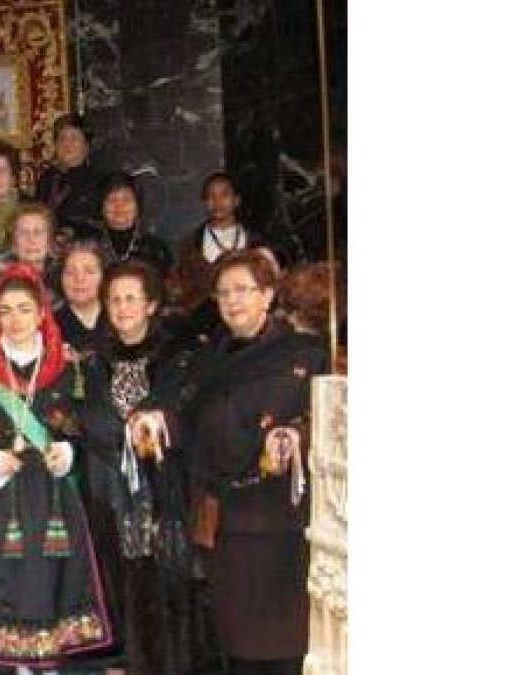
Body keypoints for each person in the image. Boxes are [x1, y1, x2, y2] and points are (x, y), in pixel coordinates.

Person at [0, 264, 114, 668]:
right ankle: (18, 661)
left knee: (55, 571)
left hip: (55, 492)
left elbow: (85, 427)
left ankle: (53, 657)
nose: (15, 320)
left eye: (24, 309)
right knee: (9, 572)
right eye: (5, 310)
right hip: (4, 494)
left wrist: (68, 452)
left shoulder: (68, 366)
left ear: (42, 313)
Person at [181, 249, 328, 675]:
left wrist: (293, 435)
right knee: (236, 647)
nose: (232, 300)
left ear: (267, 295)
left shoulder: (304, 352)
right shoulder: (209, 357)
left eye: (243, 289)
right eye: (223, 292)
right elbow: (186, 417)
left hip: (279, 522)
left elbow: (326, 417)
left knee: (285, 648)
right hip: (224, 522)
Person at [79, 260, 200, 675]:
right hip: (111, 489)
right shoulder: (93, 360)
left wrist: (154, 427)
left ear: (151, 304)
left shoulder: (179, 356)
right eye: (114, 299)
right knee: (122, 582)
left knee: (170, 584)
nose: (123, 307)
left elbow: (186, 414)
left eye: (132, 298)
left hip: (165, 489)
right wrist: (126, 437)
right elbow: (91, 422)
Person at [169, 171, 269, 338]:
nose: (218, 202)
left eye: (224, 195)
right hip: (203, 329)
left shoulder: (256, 243)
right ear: (204, 202)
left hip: (249, 326)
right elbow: (183, 287)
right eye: (211, 196)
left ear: (236, 200)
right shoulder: (190, 245)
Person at [35, 114, 107, 242]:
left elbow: (101, 225)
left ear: (86, 145)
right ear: (55, 145)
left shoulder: (100, 180)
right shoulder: (47, 178)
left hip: (85, 248)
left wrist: (71, 232)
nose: (67, 144)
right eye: (62, 139)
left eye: (74, 138)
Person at [98, 172, 174, 277]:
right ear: (101, 207)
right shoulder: (90, 245)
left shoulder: (155, 250)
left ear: (138, 206)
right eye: (112, 200)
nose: (119, 206)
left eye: (126, 200)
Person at [0, 203, 62, 303]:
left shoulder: (64, 278)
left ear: (50, 241)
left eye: (38, 232)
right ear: (13, 242)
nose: (31, 239)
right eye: (23, 232)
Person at [54, 243, 110, 357]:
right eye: (70, 272)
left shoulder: (120, 317)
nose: (79, 279)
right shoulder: (50, 326)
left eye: (89, 271)